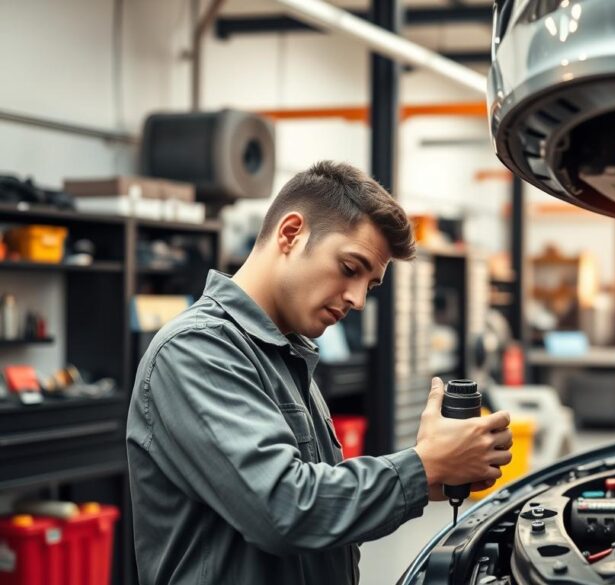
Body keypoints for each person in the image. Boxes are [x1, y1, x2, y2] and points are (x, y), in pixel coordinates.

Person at [126, 161, 513, 584]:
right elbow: (285, 508)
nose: (358, 300)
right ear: (291, 234)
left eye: (371, 284)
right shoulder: (198, 350)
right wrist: (422, 467)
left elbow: (320, 514)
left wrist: (429, 479)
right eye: (350, 269)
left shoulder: (287, 357)